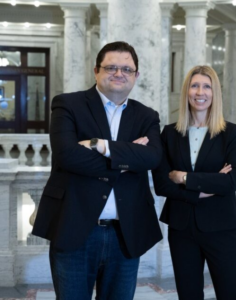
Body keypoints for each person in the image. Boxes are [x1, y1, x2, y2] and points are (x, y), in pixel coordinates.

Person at [32, 41, 163, 300]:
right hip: (75, 229)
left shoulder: (146, 116)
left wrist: (99, 146)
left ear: (136, 75)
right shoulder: (68, 105)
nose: (119, 73)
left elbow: (152, 158)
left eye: (127, 69)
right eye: (111, 67)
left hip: (125, 233)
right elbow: (68, 156)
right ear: (96, 71)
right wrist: (127, 157)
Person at [152, 65, 236, 300]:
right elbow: (162, 184)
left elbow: (230, 182)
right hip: (181, 228)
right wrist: (204, 188)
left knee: (231, 294)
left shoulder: (231, 133)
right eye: (194, 85)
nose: (199, 92)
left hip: (221, 227)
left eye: (206, 86)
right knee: (188, 295)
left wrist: (184, 178)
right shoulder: (170, 133)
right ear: (187, 91)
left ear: (215, 93)